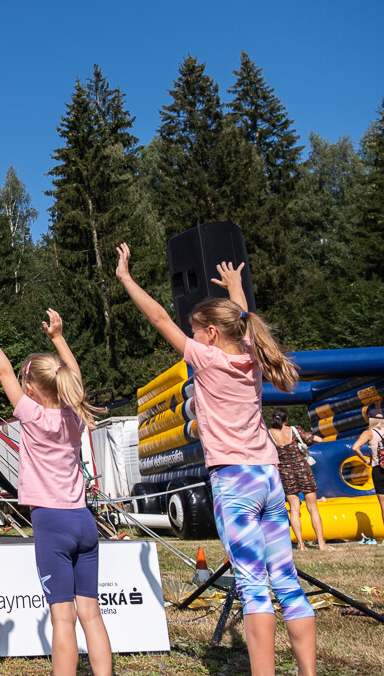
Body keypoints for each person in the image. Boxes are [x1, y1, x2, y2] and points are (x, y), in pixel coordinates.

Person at [116, 243, 315, 676]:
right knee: (287, 584)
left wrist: (127, 279)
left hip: (234, 481)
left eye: (196, 328)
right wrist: (237, 289)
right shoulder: (252, 357)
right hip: (268, 477)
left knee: (254, 588)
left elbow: (159, 318)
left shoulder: (205, 359)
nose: (191, 333)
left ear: (208, 335)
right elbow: (243, 324)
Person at [0, 301, 111, 676]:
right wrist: (58, 338)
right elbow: (76, 379)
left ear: (31, 389)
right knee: (91, 613)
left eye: (23, 381)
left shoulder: (32, 415)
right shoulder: (75, 414)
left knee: (63, 619)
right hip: (84, 520)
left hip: (52, 525)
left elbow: (1, 369)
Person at [268, 409, 329, 551]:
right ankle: (321, 544)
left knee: (294, 509)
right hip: (303, 470)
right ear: (286, 419)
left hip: (285, 473)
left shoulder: (269, 434)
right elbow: (317, 439)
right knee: (313, 508)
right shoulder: (294, 430)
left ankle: (301, 545)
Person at [351, 409, 384, 545]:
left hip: (380, 470)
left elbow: (355, 447)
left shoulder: (369, 433)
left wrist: (367, 461)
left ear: (370, 420)